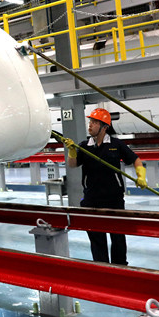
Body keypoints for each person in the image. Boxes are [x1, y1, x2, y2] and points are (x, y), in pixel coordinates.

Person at [63, 108, 146, 265]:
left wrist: (141, 176)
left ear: (104, 127)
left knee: (118, 237)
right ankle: (102, 267)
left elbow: (135, 160)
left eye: (94, 122)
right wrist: (72, 152)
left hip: (113, 199)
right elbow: (73, 165)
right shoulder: (84, 146)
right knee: (96, 237)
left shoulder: (116, 145)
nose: (90, 125)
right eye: (90, 122)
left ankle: (120, 267)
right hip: (91, 200)